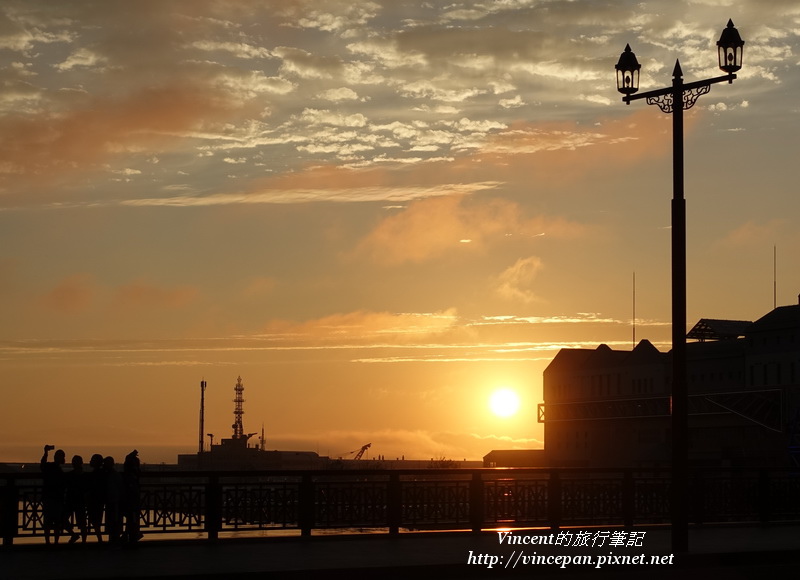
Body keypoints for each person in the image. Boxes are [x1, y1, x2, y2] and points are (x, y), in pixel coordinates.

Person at [40, 445, 67, 545]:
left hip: (49, 497)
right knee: (56, 522)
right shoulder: (57, 470)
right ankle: (55, 542)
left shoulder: (49, 467)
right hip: (56, 498)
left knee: (48, 522)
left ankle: (48, 542)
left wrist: (46, 453)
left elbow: (42, 465)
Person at [64, 455, 88, 543]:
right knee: (82, 524)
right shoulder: (85, 476)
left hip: (71, 500)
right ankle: (83, 542)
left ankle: (74, 534)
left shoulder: (69, 475)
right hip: (79, 501)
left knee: (63, 519)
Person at [122, 450, 142, 544]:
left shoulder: (128, 477)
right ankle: (132, 535)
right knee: (132, 519)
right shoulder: (135, 475)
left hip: (130, 500)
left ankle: (129, 535)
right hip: (134, 500)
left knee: (130, 518)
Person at [103, 456, 124, 543]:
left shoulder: (112, 475)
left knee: (114, 521)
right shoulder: (114, 474)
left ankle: (114, 540)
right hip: (112, 501)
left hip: (114, 501)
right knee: (113, 521)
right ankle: (114, 540)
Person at [86, 454, 105, 542]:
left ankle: (99, 539)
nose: (90, 461)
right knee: (96, 520)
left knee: (95, 520)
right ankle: (99, 538)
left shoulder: (95, 474)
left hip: (94, 500)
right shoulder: (102, 473)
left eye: (92, 460)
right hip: (99, 500)